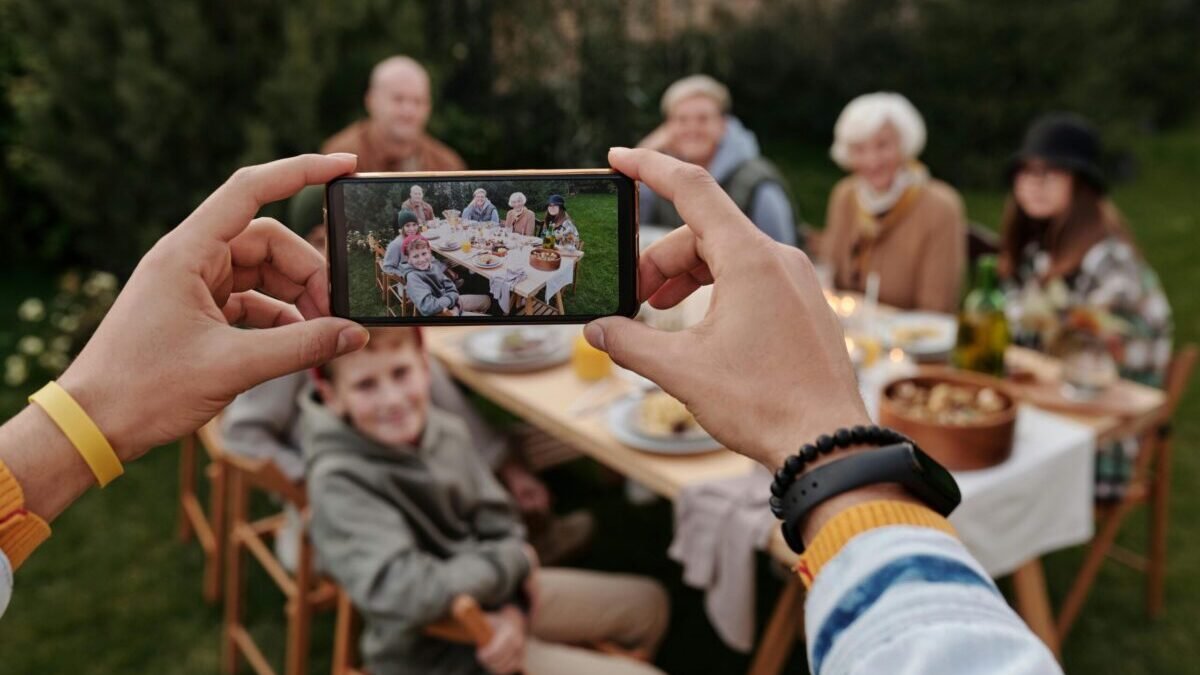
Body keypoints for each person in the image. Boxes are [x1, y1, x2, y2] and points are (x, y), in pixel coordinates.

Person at [0, 149, 1058, 675]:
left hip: (494, 563)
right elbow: (402, 585)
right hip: (454, 634)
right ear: (327, 372)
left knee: (628, 593)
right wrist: (505, 573)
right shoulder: (345, 460)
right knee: (624, 606)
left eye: (403, 374)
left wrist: (76, 422)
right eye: (369, 376)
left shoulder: (437, 404)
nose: (396, 388)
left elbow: (480, 474)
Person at [303, 327, 669, 675]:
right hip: (442, 651)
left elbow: (502, 521)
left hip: (499, 601)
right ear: (334, 397)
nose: (392, 399)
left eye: (400, 373)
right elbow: (404, 591)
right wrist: (510, 566)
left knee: (650, 604)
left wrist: (512, 608)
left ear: (424, 366)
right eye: (366, 385)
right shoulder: (339, 480)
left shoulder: (445, 432)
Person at [999, 113, 1173, 500]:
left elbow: (1092, 367)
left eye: (1051, 172)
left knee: (980, 456)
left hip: (1102, 434)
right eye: (1026, 171)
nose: (1033, 183)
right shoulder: (1039, 249)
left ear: (1082, 185)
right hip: (1051, 406)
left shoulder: (1110, 262)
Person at [818, 92, 967, 313]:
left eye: (883, 145)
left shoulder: (941, 207)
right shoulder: (845, 195)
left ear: (904, 144)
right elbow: (828, 274)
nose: (872, 160)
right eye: (859, 149)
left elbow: (937, 308)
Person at [637, 74, 799, 247]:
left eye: (703, 119)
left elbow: (784, 255)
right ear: (667, 128)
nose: (692, 129)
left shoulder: (758, 185)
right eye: (681, 120)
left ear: (723, 124)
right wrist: (647, 150)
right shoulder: (655, 183)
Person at [321, 56, 466, 172]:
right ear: (371, 101)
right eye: (398, 99)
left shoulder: (447, 165)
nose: (408, 111)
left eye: (418, 101)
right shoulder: (339, 158)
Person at [404, 235, 492, 316]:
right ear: (409, 260)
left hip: (451, 303)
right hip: (444, 314)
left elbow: (450, 285)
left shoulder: (432, 266)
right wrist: (452, 301)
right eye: (415, 256)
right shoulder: (413, 278)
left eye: (424, 253)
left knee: (487, 300)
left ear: (430, 252)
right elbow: (428, 307)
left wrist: (453, 301)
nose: (422, 259)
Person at [383, 210, 424, 275]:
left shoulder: (418, 238)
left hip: (422, 271)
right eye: (407, 226)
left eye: (414, 225)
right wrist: (404, 275)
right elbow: (387, 267)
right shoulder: (396, 244)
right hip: (412, 278)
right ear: (402, 228)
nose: (412, 229)